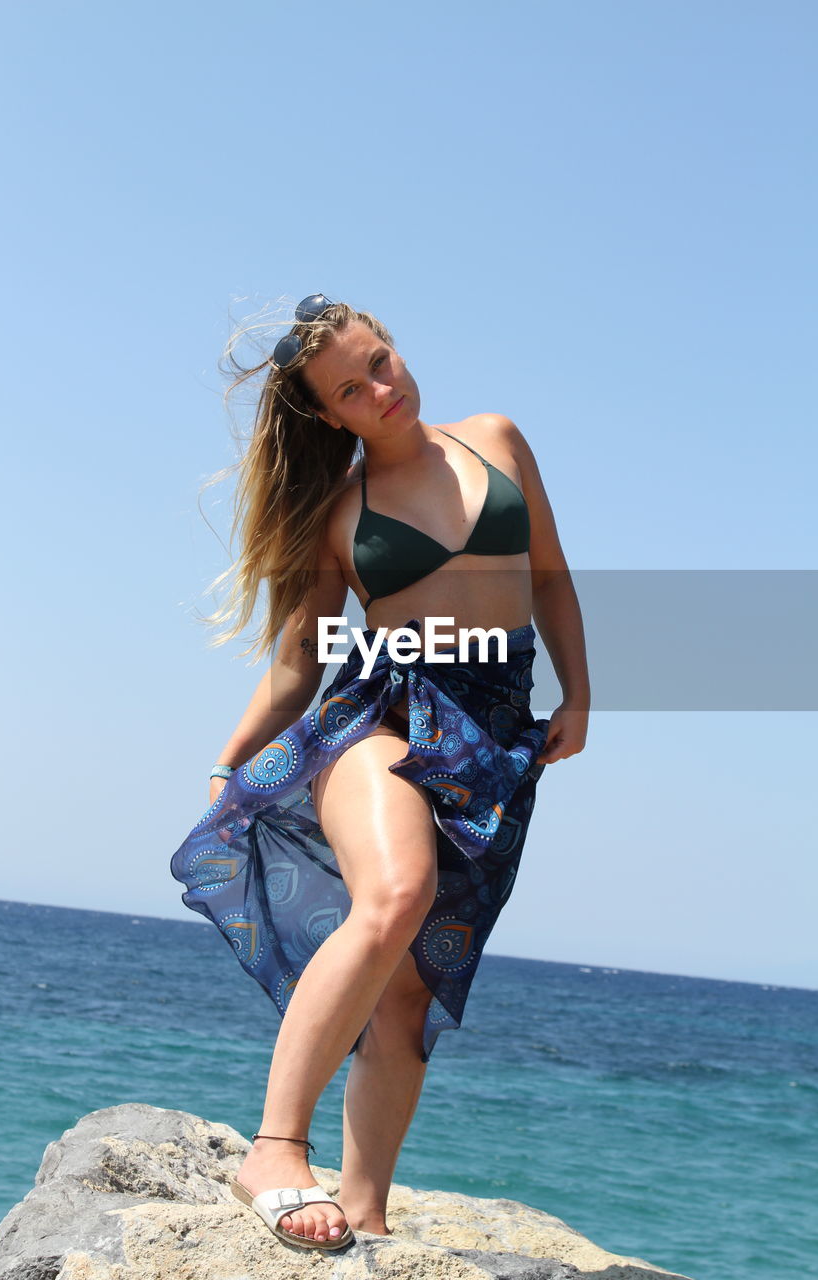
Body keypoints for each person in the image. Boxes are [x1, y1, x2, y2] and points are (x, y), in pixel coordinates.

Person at [170, 294, 590, 1251]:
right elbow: (300, 656)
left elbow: (553, 576)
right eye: (351, 390)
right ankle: (275, 1150)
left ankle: (364, 1213)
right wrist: (229, 758)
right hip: (377, 715)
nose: (380, 390)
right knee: (397, 892)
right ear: (330, 416)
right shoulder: (337, 509)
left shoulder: (497, 438)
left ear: (394, 346)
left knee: (409, 991)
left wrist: (578, 694)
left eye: (380, 363)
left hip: (491, 734)